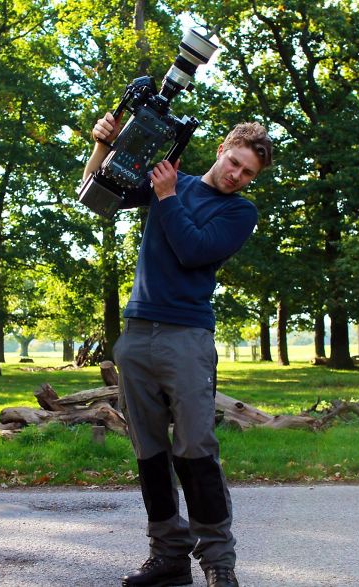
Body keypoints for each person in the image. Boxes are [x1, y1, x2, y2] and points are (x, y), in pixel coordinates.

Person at [84, 113, 272, 587]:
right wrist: (103, 145)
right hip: (137, 333)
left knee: (195, 450)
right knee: (149, 451)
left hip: (186, 337)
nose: (236, 176)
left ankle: (217, 562)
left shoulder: (238, 213)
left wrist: (166, 197)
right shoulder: (172, 180)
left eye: (247, 173)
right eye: (234, 163)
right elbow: (94, 194)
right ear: (220, 151)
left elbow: (193, 249)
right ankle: (168, 555)